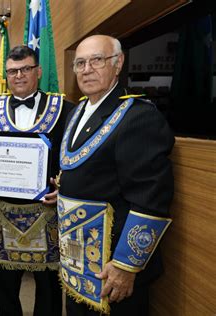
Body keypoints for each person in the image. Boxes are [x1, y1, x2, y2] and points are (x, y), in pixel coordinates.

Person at [58, 35, 174, 315]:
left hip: (112, 269)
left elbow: (150, 198)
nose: (87, 70)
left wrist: (126, 265)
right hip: (78, 261)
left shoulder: (137, 116)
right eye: (80, 63)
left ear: (118, 63)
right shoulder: (78, 111)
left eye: (97, 60)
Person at [0, 45, 74, 316]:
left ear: (38, 71)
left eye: (25, 69)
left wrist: (64, 188)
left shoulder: (64, 108)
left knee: (49, 285)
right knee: (5, 284)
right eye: (12, 71)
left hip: (47, 211)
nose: (19, 75)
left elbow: (72, 159)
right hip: (4, 212)